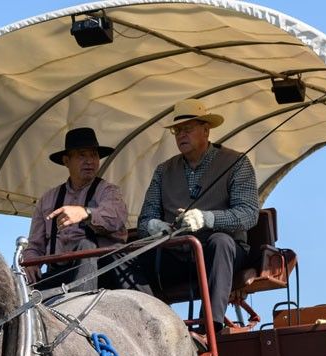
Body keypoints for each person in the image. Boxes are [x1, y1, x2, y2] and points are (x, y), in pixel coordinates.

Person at [138, 98, 261, 331]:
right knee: (127, 261)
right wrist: (154, 226)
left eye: (187, 129)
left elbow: (248, 214)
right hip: (177, 251)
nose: (181, 135)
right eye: (177, 131)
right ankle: (154, 323)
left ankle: (210, 328)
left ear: (206, 130)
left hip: (223, 253)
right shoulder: (164, 170)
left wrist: (208, 219)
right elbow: (144, 221)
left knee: (220, 241)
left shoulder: (236, 163)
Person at [21, 127, 150, 292]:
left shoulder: (108, 191)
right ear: (66, 161)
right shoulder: (47, 200)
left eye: (94, 155)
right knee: (18, 290)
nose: (90, 161)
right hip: (59, 273)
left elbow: (116, 218)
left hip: (103, 269)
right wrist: (30, 263)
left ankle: (80, 302)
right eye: (82, 155)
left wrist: (85, 213)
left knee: (85, 245)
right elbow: (35, 246)